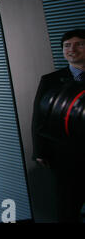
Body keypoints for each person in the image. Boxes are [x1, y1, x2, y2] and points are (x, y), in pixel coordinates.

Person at [32, 28, 85, 222]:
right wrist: (39, 151)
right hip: (65, 156)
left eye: (79, 44)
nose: (72, 49)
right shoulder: (51, 80)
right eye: (67, 45)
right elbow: (38, 118)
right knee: (67, 205)